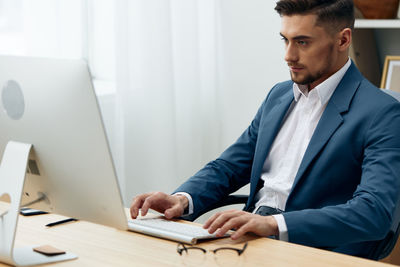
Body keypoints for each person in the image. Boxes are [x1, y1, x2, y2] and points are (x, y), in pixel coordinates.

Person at [130, 0, 400, 259]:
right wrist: (182, 199)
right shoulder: (279, 96)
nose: (288, 55)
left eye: (302, 42)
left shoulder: (382, 113)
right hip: (245, 241)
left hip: (312, 250)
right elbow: (229, 166)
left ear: (343, 40)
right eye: (285, 39)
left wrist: (273, 224)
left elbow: (372, 214)